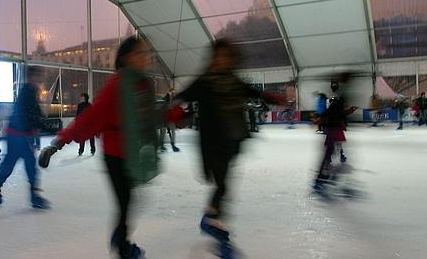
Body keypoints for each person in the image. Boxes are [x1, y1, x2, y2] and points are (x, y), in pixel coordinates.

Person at [40, 37, 159, 259]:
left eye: (147, 54)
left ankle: (120, 241)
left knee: (130, 201)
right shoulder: (118, 85)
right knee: (125, 202)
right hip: (116, 156)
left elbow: (153, 115)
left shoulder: (144, 85)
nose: (146, 58)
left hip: (136, 155)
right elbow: (91, 118)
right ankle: (122, 247)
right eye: (140, 54)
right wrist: (58, 143)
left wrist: (178, 115)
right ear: (126, 59)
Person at [170, 39, 283, 257]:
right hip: (213, 144)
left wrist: (269, 96)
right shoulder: (205, 82)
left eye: (227, 56)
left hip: (232, 140)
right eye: (219, 55)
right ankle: (212, 223)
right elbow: (182, 96)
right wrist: (173, 109)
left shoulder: (233, 80)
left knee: (224, 186)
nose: (222, 60)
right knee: (222, 185)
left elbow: (252, 92)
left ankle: (213, 221)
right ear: (213, 58)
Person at [0, 67, 50, 210]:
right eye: (38, 76)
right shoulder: (28, 91)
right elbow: (31, 116)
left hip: (21, 134)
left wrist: (44, 124)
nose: (40, 80)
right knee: (13, 163)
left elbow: (36, 114)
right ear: (31, 77)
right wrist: (47, 127)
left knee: (27, 165)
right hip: (18, 135)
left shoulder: (30, 92)